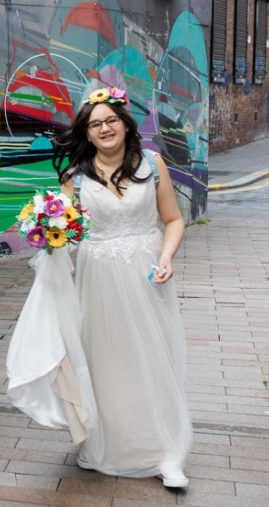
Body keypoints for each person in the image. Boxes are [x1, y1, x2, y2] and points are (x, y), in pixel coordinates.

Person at [52, 86, 192, 489]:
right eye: (96, 124)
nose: (105, 128)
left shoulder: (152, 163)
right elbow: (68, 234)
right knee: (107, 361)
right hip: (98, 280)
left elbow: (174, 220)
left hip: (148, 273)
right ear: (87, 132)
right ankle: (108, 443)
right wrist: (51, 235)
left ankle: (167, 452)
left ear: (125, 123)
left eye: (111, 119)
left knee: (154, 356)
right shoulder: (74, 178)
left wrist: (166, 258)